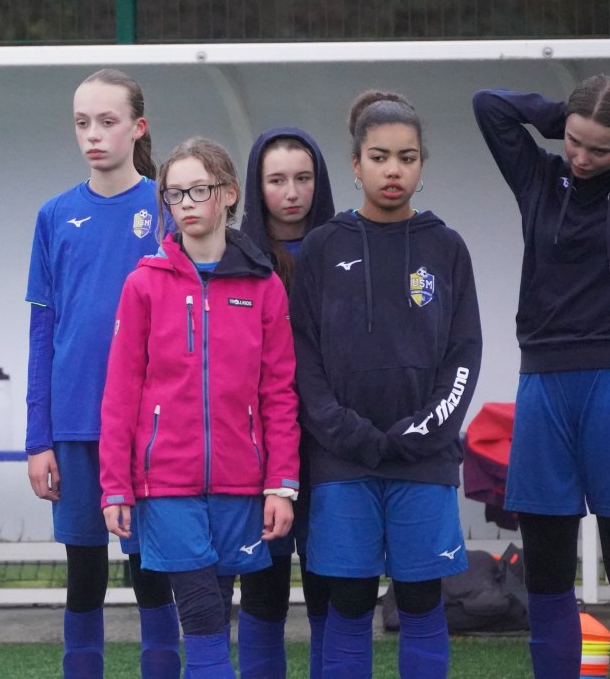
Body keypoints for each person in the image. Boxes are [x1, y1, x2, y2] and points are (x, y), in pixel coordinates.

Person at [289, 91, 483, 678]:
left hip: (423, 460)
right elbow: (302, 359)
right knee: (348, 602)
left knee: (421, 600)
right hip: (341, 461)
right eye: (379, 157)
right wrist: (348, 432)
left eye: (407, 157)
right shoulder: (322, 247)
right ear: (356, 164)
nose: (393, 170)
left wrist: (419, 432)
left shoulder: (447, 247)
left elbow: (464, 357)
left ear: (422, 164)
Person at [100, 136, 301, 677]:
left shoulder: (264, 286)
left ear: (229, 193)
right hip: (165, 483)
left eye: (198, 190)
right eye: (174, 194)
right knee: (202, 614)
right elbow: (120, 394)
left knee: (217, 603)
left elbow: (279, 393)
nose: (185, 204)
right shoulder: (144, 284)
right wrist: (115, 485)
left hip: (241, 481)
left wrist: (281, 483)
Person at [25, 68, 180, 677]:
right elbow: (42, 333)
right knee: (83, 573)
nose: (93, 134)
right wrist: (38, 439)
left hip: (149, 428)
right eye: (82, 122)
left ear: (138, 127)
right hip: (75, 426)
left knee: (152, 573)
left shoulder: (168, 208)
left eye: (107, 121)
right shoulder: (54, 215)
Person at [473, 75, 610, 678]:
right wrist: (565, 116)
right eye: (574, 142)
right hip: (544, 387)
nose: (581, 158)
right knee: (549, 568)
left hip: (608, 387)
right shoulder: (539, 177)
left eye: (599, 149)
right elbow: (489, 105)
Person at [237, 127, 335, 678]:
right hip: (258, 448)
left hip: (330, 444)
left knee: (328, 586)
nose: (292, 192)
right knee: (263, 590)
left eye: (303, 178)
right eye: (276, 180)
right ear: (257, 187)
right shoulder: (237, 256)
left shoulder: (346, 247)